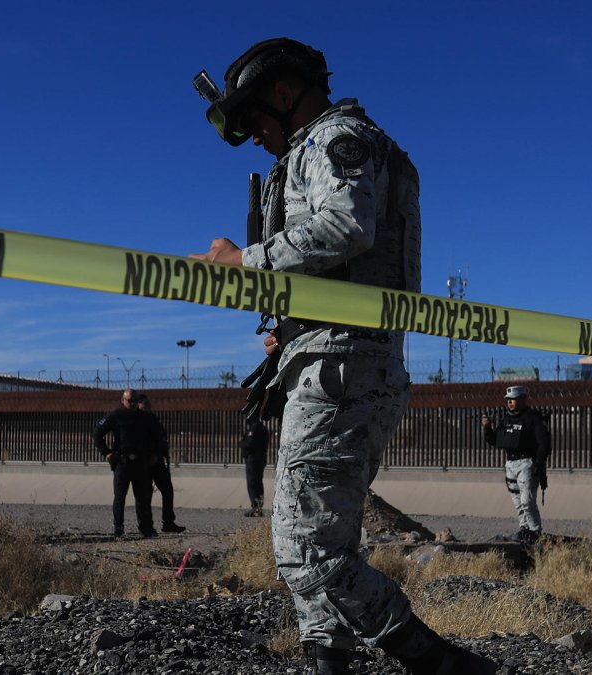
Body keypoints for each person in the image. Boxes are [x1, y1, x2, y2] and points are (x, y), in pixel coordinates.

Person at [192, 38, 497, 674]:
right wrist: (291, 324)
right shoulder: (310, 149)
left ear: (284, 93)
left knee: (308, 547)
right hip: (330, 355)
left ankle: (445, 665)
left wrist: (244, 262)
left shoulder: (337, 139)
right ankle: (327, 656)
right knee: (312, 534)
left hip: (344, 364)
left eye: (254, 119)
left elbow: (345, 226)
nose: (253, 138)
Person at [482, 384, 551, 545]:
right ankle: (524, 529)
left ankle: (535, 532)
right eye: (508, 400)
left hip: (527, 463)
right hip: (510, 464)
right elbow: (494, 440)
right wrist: (487, 428)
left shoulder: (533, 418)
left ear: (523, 399)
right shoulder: (506, 419)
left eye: (513, 399)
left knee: (527, 500)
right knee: (518, 501)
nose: (510, 403)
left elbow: (543, 443)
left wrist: (538, 464)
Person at [92, 388, 157, 538]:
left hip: (140, 462)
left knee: (142, 497)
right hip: (122, 461)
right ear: (123, 401)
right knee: (120, 497)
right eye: (130, 400)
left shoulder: (144, 417)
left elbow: (154, 437)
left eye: (135, 400)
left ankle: (145, 528)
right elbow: (97, 433)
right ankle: (118, 528)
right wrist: (107, 452)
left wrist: (154, 454)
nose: (133, 403)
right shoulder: (116, 415)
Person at [136, 394, 185, 533]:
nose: (148, 407)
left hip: (158, 460)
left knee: (167, 490)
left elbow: (160, 436)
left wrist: (162, 449)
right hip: (146, 461)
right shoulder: (138, 420)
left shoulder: (152, 418)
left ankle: (168, 522)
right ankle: (146, 524)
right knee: (146, 494)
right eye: (145, 404)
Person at [239, 420, 269, 517]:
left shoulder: (255, 428)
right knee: (258, 483)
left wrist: (241, 443)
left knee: (252, 483)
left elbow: (249, 443)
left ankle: (255, 507)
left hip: (253, 459)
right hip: (260, 459)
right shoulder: (263, 428)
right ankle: (258, 506)